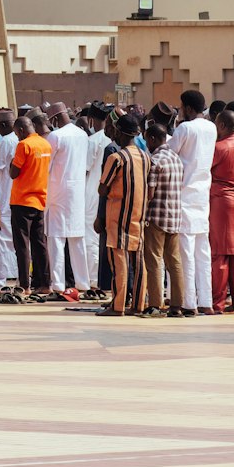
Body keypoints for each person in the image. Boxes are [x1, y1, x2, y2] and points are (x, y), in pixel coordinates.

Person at [169, 89, 217, 315]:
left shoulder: (185, 128)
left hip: (184, 195)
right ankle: (205, 301)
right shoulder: (212, 127)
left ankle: (189, 302)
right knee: (202, 251)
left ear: (188, 108)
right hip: (202, 194)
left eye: (181, 107)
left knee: (186, 252)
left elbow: (170, 153)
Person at [96, 112, 149, 317]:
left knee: (119, 260)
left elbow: (102, 189)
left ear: (118, 131)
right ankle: (138, 304)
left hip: (118, 216)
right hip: (138, 214)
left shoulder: (116, 158)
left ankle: (117, 306)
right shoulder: (145, 157)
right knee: (138, 261)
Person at [45, 104, 90, 303]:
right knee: (77, 238)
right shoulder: (82, 135)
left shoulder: (56, 137)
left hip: (58, 191)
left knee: (56, 239)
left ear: (54, 119)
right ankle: (83, 284)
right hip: (78, 191)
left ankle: (58, 285)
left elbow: (47, 166)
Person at [142, 120, 185, 316]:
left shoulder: (155, 161)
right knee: (174, 262)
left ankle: (156, 304)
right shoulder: (176, 158)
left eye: (147, 140)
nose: (147, 145)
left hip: (156, 218)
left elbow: (150, 193)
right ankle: (177, 305)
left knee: (153, 261)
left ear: (153, 139)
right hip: (175, 217)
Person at [8, 114, 51, 300]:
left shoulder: (23, 145)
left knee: (22, 245)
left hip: (22, 201)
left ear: (21, 130)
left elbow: (13, 173)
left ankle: (25, 285)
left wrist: (12, 161)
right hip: (40, 199)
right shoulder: (45, 144)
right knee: (40, 243)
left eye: (17, 133)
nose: (17, 136)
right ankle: (45, 284)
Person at [209, 108, 234, 314]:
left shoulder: (218, 148)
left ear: (222, 126)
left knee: (220, 254)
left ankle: (217, 303)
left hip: (222, 202)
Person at [0, 108, 18, 293]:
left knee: (0, 238)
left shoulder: (7, 141)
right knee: (15, 239)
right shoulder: (19, 140)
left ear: (2, 125)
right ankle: (14, 274)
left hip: (4, 194)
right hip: (15, 196)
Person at [84, 102, 111, 291]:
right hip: (108, 193)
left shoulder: (93, 140)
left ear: (91, 120)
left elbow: (84, 170)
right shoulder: (112, 139)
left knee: (91, 237)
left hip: (92, 193)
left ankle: (93, 279)